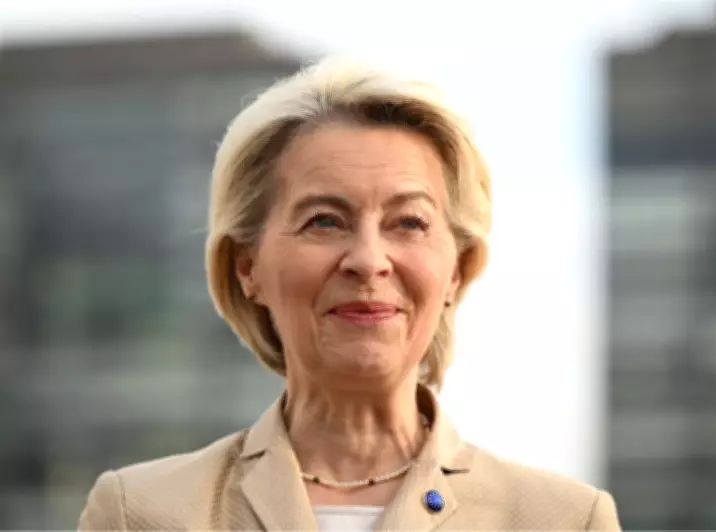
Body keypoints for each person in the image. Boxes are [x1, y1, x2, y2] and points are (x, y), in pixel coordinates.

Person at [78, 57, 621, 531]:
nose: (368, 260)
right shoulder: (141, 513)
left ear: (457, 269)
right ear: (248, 267)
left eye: (408, 222)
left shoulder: (564, 520)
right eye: (324, 221)